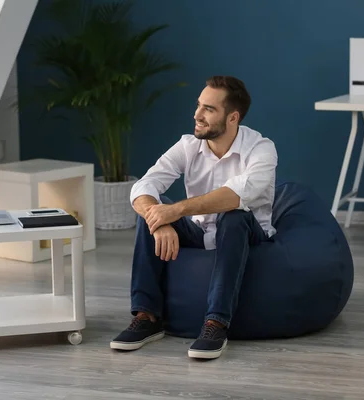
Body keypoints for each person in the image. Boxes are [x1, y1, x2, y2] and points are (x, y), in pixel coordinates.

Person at [110, 76, 278, 359]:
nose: (197, 115)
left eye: (209, 109)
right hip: (200, 232)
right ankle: (147, 317)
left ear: (233, 117)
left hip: (248, 234)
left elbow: (235, 196)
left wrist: (175, 210)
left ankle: (216, 323)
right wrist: (160, 220)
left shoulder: (261, 149)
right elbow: (144, 186)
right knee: (150, 211)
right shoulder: (188, 146)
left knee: (233, 216)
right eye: (199, 105)